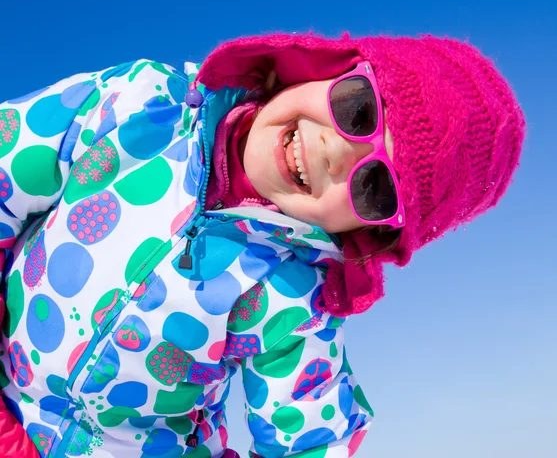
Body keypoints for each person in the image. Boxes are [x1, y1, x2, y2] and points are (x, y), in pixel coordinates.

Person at [0, 33, 525, 458]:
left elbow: (311, 436)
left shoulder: (289, 296)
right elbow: (12, 158)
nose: (335, 153)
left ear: (367, 230)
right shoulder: (138, 110)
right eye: (358, 109)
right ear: (326, 69)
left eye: (374, 187)